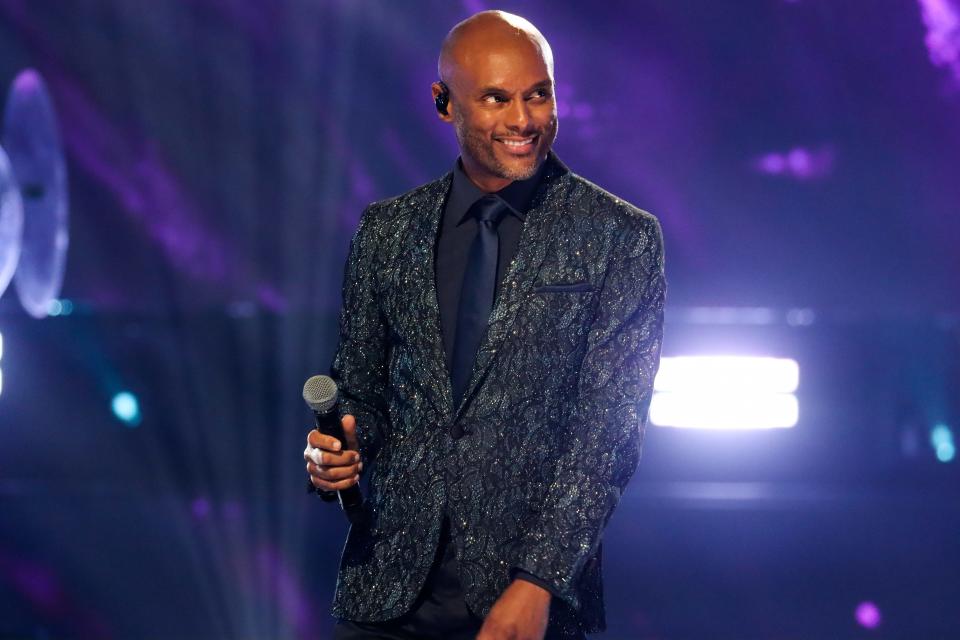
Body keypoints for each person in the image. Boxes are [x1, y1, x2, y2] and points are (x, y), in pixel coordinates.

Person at [304, 10, 665, 640]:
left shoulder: (619, 237)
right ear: (444, 104)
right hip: (386, 593)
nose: (524, 120)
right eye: (497, 98)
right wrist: (338, 451)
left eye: (538, 94)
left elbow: (607, 432)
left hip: (525, 604)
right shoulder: (389, 231)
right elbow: (361, 388)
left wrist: (537, 582)